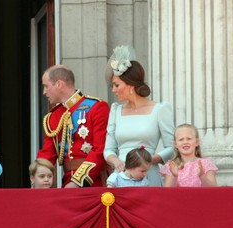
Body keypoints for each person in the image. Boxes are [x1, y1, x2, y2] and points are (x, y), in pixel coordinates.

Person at [103, 45, 175, 186]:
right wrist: (116, 162)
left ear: (130, 85)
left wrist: (148, 161)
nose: (113, 90)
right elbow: (108, 149)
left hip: (148, 175)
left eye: (116, 85)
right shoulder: (116, 110)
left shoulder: (159, 109)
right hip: (121, 177)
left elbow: (172, 148)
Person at [37, 64, 110, 188]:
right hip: (66, 183)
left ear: (59, 84)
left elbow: (100, 150)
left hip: (93, 183)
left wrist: (77, 182)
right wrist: (38, 177)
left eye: (46, 86)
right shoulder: (53, 117)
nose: (44, 92)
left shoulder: (97, 107)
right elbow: (47, 155)